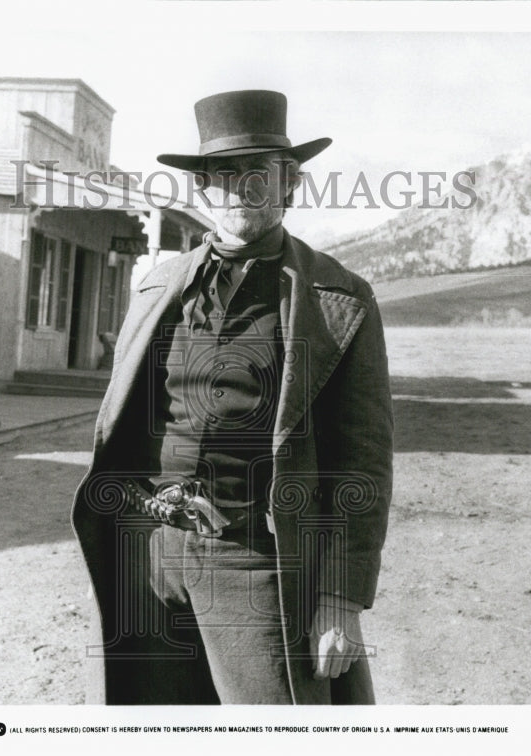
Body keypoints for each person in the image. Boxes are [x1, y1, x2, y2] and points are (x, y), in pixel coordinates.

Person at [71, 89, 393, 704]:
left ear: (290, 184)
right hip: (150, 556)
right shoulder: (160, 284)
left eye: (259, 173)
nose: (240, 188)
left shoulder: (337, 299)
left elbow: (364, 458)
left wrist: (340, 596)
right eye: (224, 173)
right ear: (204, 188)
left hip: (255, 560)